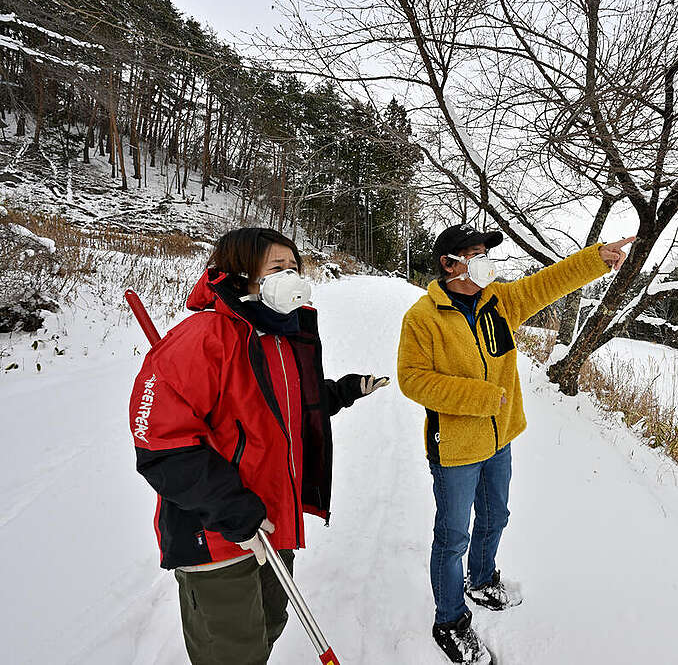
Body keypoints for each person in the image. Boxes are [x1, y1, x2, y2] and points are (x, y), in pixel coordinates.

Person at [128, 227, 388, 665]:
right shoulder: (205, 337)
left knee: (268, 626)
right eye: (277, 268)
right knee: (232, 652)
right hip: (217, 534)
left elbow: (282, 406)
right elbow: (160, 442)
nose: (292, 276)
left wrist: (340, 393)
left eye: (294, 267)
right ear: (242, 275)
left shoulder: (280, 336)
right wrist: (230, 508)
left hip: (271, 524)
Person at [397, 223, 634, 664]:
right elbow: (412, 380)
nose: (485, 261)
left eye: (486, 252)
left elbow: (547, 283)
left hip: (500, 437)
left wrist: (595, 259)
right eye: (474, 254)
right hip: (455, 448)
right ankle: (449, 620)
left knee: (495, 515)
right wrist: (478, 397)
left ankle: (483, 578)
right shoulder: (423, 318)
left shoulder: (500, 302)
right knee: (452, 538)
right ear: (449, 264)